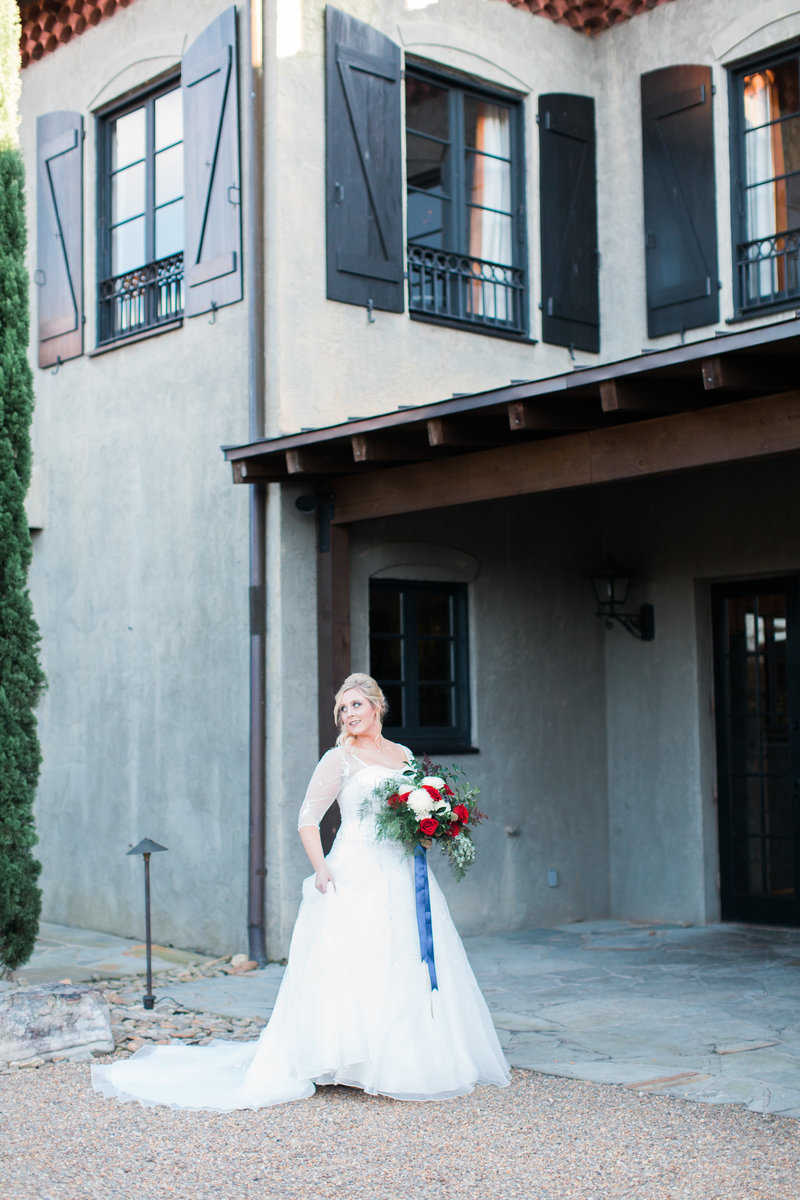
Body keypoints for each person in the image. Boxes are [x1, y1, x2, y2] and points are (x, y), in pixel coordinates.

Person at [92, 673, 510, 1110]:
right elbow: (307, 818)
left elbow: (407, 812)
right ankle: (348, 1058)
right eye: (342, 709)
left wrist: (427, 828)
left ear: (377, 707)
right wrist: (321, 867)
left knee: (405, 956)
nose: (348, 714)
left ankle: (403, 1058)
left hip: (402, 870)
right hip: (354, 867)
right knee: (357, 958)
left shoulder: (403, 755)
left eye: (355, 706)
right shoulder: (338, 760)